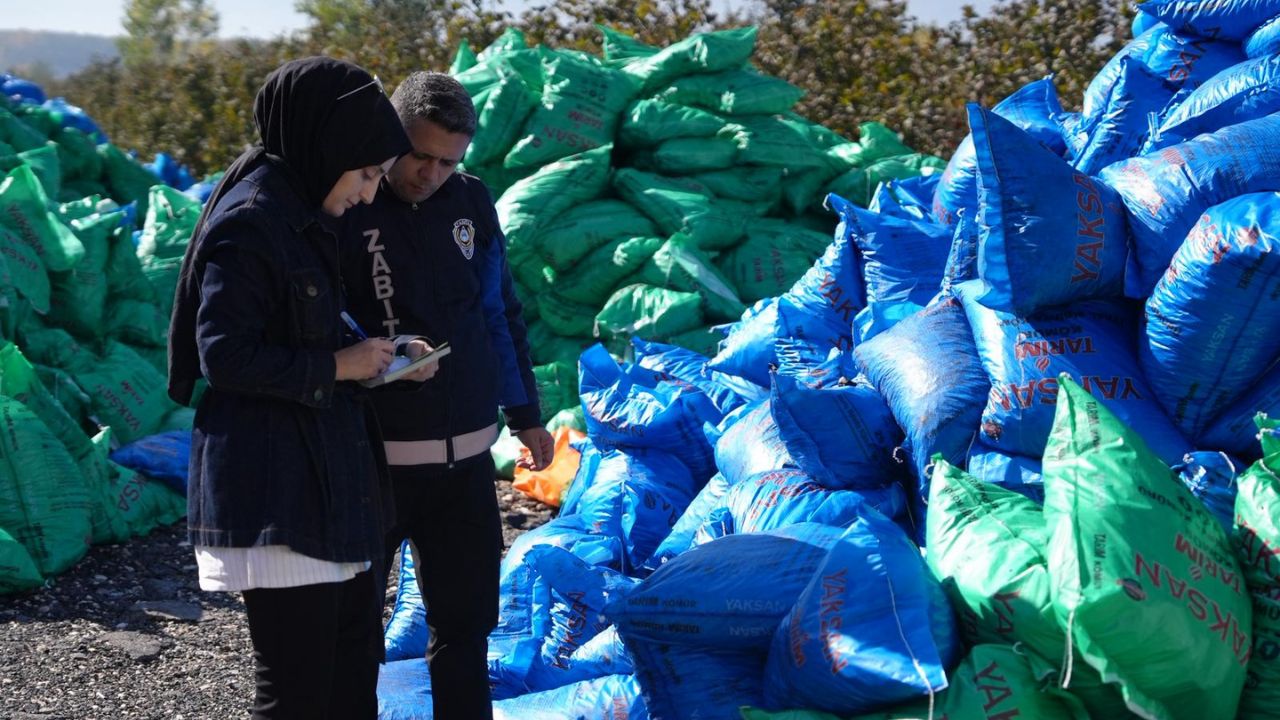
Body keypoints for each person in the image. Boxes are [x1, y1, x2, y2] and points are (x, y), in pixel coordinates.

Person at [167, 57, 415, 720]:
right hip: (277, 490)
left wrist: (376, 355)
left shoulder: (300, 212)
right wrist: (341, 366)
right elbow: (223, 354)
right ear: (326, 146)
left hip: (326, 487)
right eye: (365, 175)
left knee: (352, 676)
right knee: (299, 694)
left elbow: (302, 326)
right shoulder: (251, 223)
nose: (368, 195)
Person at [341, 71, 554, 720]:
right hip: (370, 464)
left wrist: (526, 415)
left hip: (463, 466)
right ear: (391, 136)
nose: (431, 173)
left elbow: (498, 311)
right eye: (420, 155)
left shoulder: (470, 200)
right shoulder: (349, 200)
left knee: (464, 632)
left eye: (448, 160)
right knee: (349, 638)